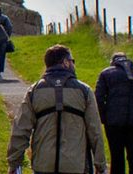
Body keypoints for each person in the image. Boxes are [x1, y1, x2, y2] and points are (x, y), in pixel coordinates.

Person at [7, 44, 107, 174]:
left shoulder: (34, 91)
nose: (73, 65)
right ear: (65, 62)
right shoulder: (84, 91)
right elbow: (95, 131)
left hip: (43, 164)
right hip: (75, 165)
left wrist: (14, 163)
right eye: (72, 61)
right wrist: (100, 164)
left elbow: (20, 129)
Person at [96, 52, 133, 174]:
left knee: (116, 158)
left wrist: (104, 118)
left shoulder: (106, 74)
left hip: (114, 124)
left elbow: (99, 98)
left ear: (113, 61)